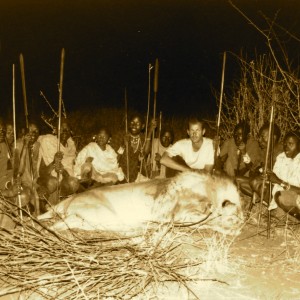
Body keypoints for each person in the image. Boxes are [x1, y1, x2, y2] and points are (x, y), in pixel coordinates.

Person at [37, 120, 79, 210]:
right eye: (62, 129)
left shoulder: (71, 146)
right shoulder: (48, 142)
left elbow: (71, 170)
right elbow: (42, 172)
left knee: (73, 182)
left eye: (67, 130)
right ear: (55, 131)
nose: (64, 131)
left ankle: (61, 201)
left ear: (70, 132)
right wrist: (54, 162)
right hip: (47, 178)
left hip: (63, 178)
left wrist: (63, 171)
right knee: (53, 182)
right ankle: (43, 207)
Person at [110, 112, 156, 183]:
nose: (134, 125)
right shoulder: (120, 135)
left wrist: (150, 132)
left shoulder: (142, 138)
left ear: (142, 126)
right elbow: (113, 160)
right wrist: (123, 145)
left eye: (138, 124)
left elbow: (144, 154)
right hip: (118, 173)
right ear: (128, 124)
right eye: (132, 122)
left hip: (134, 174)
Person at [267, 131, 300, 220]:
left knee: (281, 197)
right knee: (259, 183)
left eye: (290, 144)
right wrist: (268, 177)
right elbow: (274, 179)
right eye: (285, 144)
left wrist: (279, 181)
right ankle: (285, 215)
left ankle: (295, 218)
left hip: (296, 198)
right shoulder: (281, 157)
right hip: (284, 194)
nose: (286, 147)